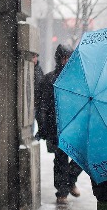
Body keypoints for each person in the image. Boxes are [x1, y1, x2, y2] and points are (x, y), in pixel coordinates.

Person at [37, 44, 83, 205]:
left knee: (82, 156)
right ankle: (62, 191)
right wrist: (43, 127)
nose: (66, 61)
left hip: (76, 124)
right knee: (60, 159)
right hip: (56, 126)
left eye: (69, 57)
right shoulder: (49, 79)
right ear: (59, 58)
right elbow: (42, 105)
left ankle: (70, 179)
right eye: (64, 57)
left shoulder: (78, 78)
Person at [32, 52, 44, 132]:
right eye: (33, 57)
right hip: (32, 102)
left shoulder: (38, 69)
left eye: (36, 56)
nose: (35, 59)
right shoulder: (31, 69)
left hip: (38, 102)